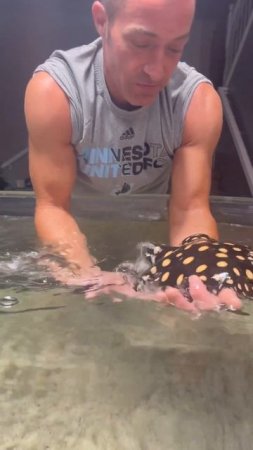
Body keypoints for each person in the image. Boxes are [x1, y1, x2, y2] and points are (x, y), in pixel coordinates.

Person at [24, 0, 223, 283]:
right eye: (141, 44)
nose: (157, 71)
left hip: (152, 243)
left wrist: (195, 279)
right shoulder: (55, 93)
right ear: (102, 21)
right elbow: (53, 207)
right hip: (73, 241)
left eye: (174, 48)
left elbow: (191, 210)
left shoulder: (196, 103)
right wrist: (88, 279)